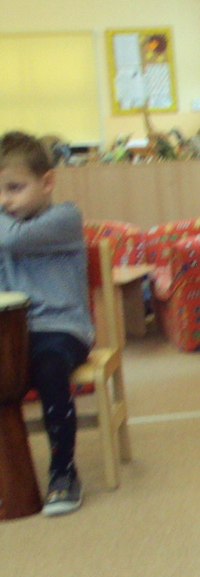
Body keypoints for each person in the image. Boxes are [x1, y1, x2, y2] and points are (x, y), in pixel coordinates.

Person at [0, 131, 94, 516]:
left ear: (47, 182)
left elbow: (12, 241)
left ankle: (63, 472)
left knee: (49, 367)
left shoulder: (64, 218)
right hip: (14, 333)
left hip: (62, 328)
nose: (4, 201)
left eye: (14, 188)